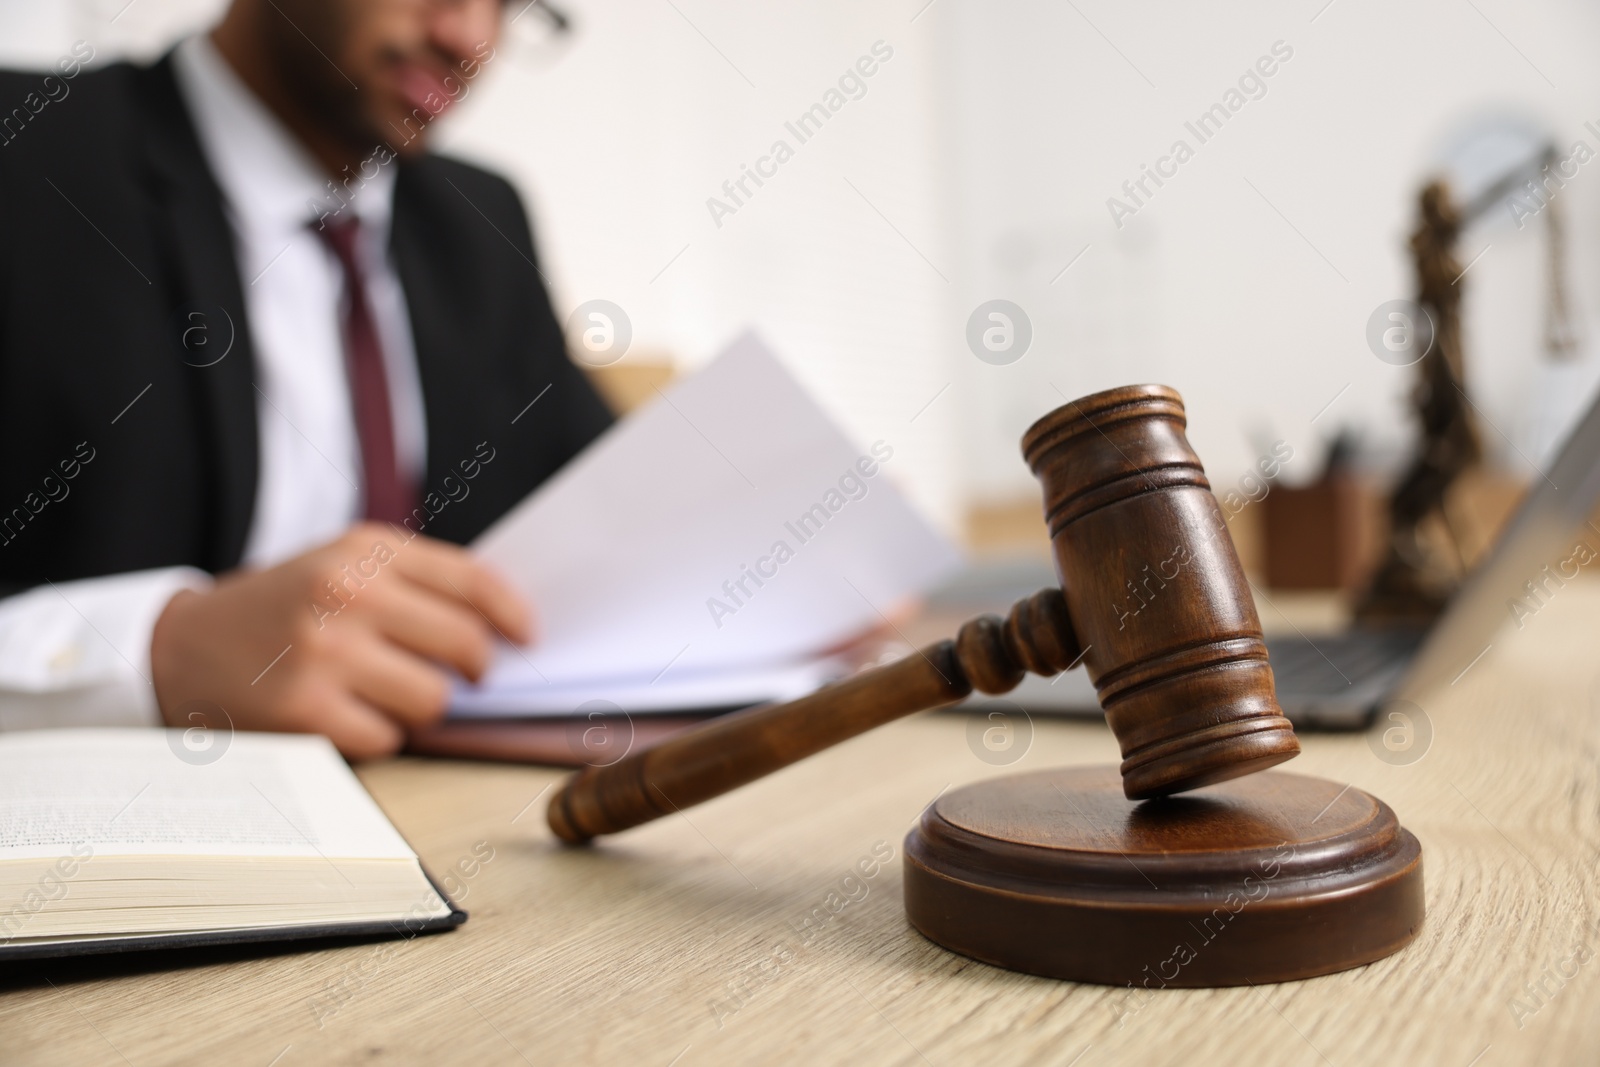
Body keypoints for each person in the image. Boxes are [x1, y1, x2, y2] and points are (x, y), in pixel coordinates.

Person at [0, 0, 612, 758]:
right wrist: (156, 654)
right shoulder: (27, 157)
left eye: (508, 6)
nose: (469, 37)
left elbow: (610, 510)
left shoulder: (481, 224)